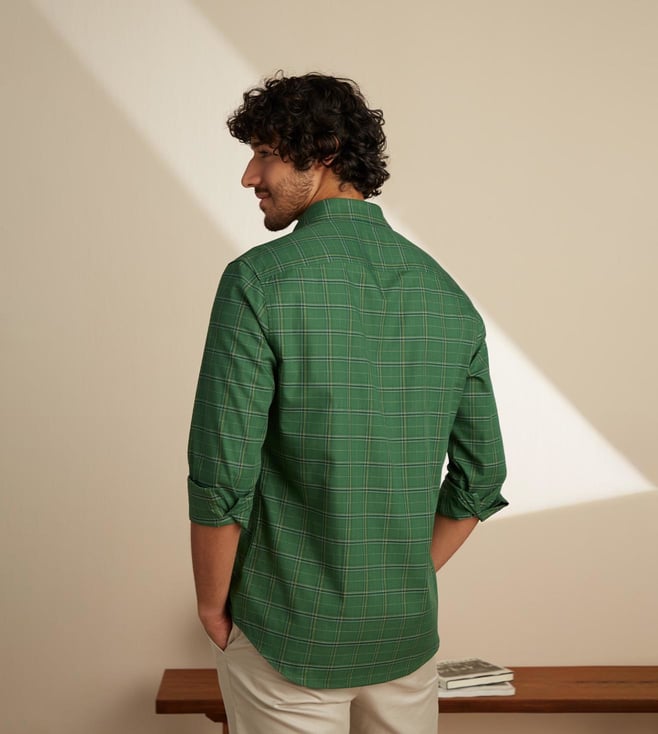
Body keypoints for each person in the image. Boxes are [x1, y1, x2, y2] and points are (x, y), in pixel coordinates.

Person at [188, 72, 507, 734]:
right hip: (404, 635)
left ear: (325, 153)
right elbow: (482, 479)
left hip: (285, 632)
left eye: (266, 154)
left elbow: (222, 478)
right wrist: (403, 576)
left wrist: (212, 606)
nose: (250, 176)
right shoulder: (447, 296)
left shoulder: (258, 282)